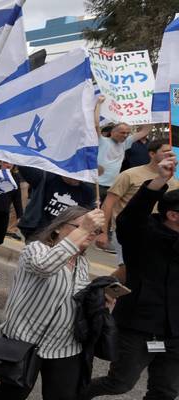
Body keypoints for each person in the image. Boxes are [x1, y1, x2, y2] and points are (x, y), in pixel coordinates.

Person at [0, 206, 103, 400]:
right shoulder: (35, 249)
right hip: (26, 339)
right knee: (12, 395)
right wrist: (82, 231)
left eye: (94, 230)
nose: (90, 233)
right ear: (58, 228)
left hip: (63, 344)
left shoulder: (82, 263)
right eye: (82, 226)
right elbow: (45, 267)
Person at [82, 154, 179, 400]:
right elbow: (130, 219)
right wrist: (159, 181)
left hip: (175, 332)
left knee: (165, 391)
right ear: (173, 215)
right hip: (138, 327)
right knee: (119, 383)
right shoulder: (143, 234)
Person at [97, 141, 178, 279]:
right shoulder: (130, 174)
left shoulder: (175, 181)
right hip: (128, 231)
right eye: (165, 152)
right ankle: (103, 289)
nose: (170, 155)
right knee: (128, 268)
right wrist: (102, 232)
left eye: (172, 152)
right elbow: (108, 204)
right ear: (152, 154)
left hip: (157, 235)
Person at [17, 167, 97, 239]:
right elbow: (25, 168)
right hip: (38, 230)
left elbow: (87, 214)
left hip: (65, 235)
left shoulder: (87, 192)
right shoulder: (47, 177)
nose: (77, 177)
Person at [96, 123, 148, 199]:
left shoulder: (125, 143)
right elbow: (95, 126)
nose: (125, 135)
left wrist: (149, 116)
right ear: (112, 132)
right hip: (97, 185)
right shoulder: (102, 141)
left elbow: (145, 131)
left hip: (113, 186)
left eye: (128, 133)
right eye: (122, 132)